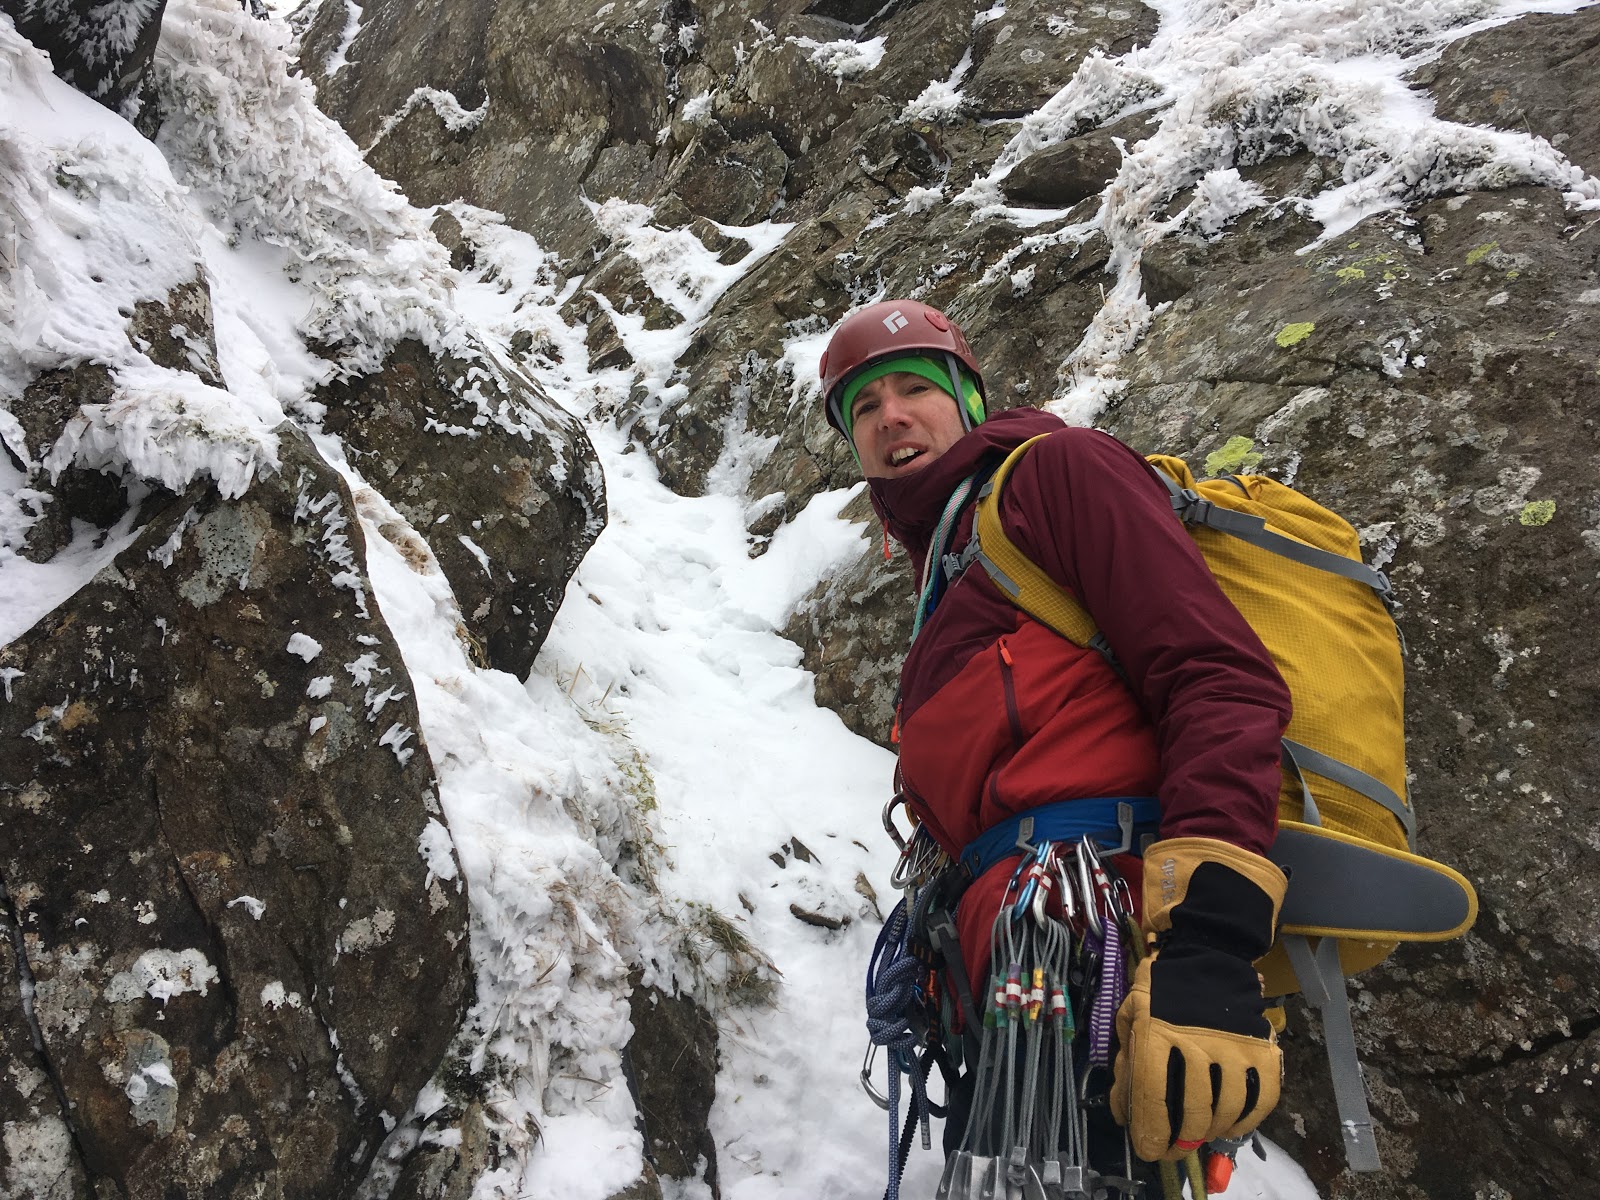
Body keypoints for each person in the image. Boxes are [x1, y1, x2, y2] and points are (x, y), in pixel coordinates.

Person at [820, 299, 1294, 1178]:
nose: (891, 416)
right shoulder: (949, 564)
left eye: (914, 388)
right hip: (1010, 959)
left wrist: (1209, 943)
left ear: (968, 400)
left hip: (1086, 932)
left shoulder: (1059, 474)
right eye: (864, 408)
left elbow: (1217, 678)